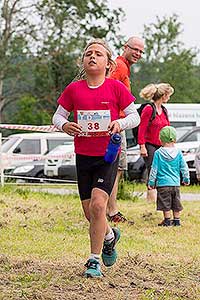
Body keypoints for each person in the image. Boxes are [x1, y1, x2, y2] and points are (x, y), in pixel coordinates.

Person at [52, 39, 140, 278]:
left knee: (99, 206)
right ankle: (110, 236)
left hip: (107, 155)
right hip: (83, 156)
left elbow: (135, 117)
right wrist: (65, 125)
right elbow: (57, 116)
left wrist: (119, 123)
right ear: (83, 61)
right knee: (90, 213)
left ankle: (93, 260)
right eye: (88, 53)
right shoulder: (74, 89)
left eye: (98, 54)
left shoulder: (115, 88)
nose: (92, 56)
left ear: (108, 63)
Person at [107, 36, 145, 223]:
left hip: (118, 122)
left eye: (141, 51)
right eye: (135, 49)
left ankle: (108, 208)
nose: (138, 53)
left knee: (115, 166)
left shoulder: (123, 67)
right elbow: (106, 88)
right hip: (116, 123)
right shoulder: (119, 66)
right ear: (125, 47)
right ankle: (111, 211)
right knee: (116, 167)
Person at [138, 83, 174, 201]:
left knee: (163, 169)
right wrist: (142, 146)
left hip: (162, 145)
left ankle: (162, 196)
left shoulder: (164, 110)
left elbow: (168, 129)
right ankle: (151, 198)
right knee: (153, 169)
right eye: (168, 95)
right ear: (163, 95)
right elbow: (141, 128)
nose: (169, 97)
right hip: (149, 144)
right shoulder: (149, 109)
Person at [148, 126, 190, 226]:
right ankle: (177, 220)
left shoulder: (158, 153)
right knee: (176, 202)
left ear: (161, 139)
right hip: (175, 183)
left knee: (165, 202)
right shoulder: (178, 153)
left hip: (163, 184)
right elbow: (184, 167)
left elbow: (154, 169)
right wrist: (186, 178)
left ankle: (167, 220)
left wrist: (151, 182)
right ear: (174, 139)